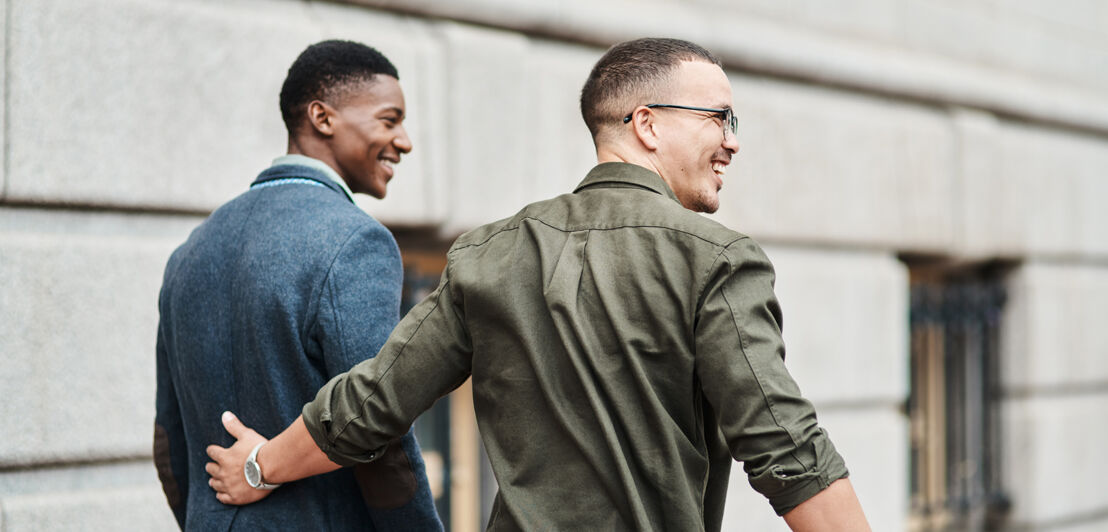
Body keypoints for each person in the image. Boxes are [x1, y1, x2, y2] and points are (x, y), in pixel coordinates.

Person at [205, 37, 871, 531]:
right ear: (646, 124)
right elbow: (786, 449)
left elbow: (374, 402)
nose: (732, 142)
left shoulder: (489, 253)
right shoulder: (717, 259)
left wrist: (261, 466)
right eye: (718, 118)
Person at [154, 40, 442, 531]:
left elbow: (169, 438)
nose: (405, 141)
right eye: (389, 120)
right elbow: (377, 425)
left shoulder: (190, 251)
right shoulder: (357, 241)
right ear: (322, 117)